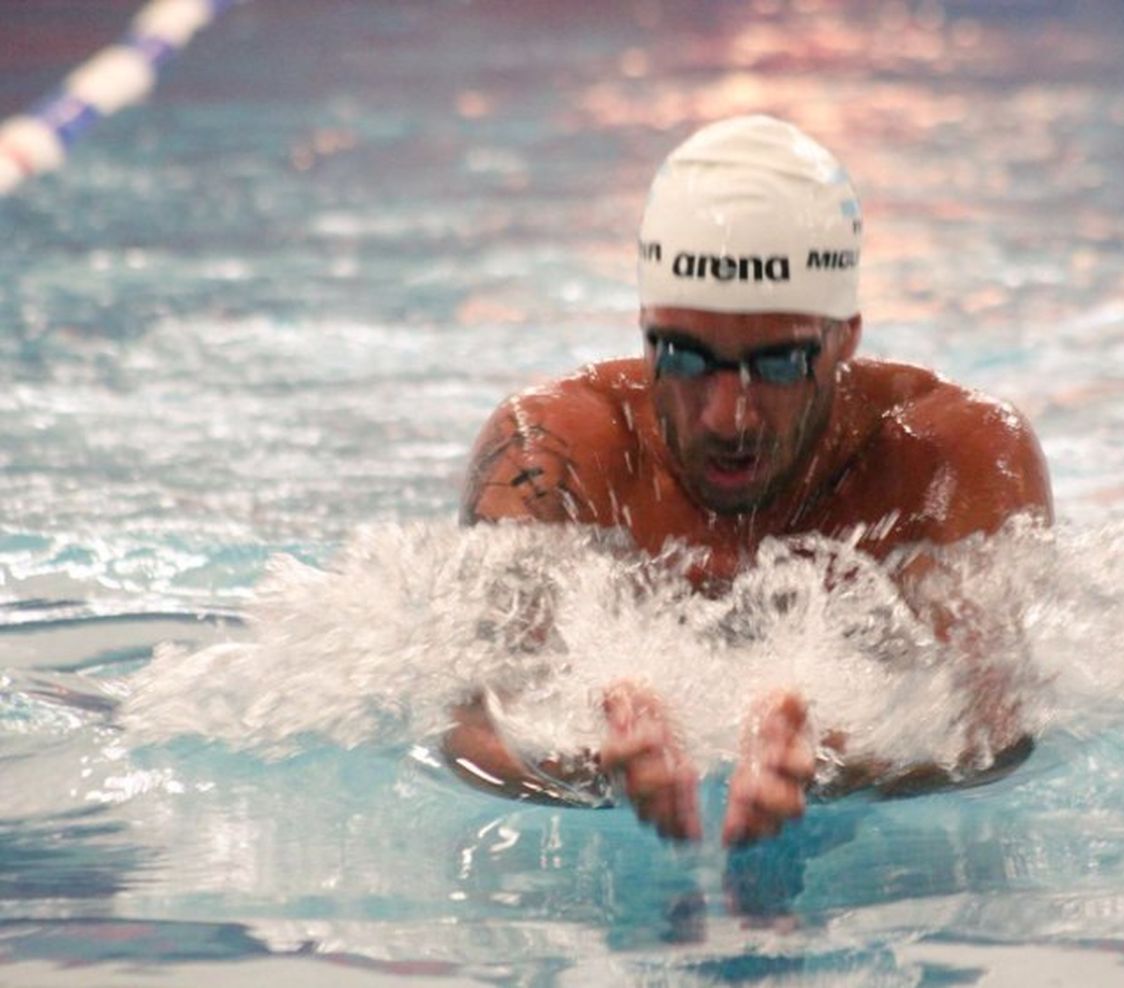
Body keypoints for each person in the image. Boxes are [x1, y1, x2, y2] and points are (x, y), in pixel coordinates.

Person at [444, 115, 1052, 847]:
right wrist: (581, 768)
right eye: (687, 357)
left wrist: (841, 769)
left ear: (845, 338)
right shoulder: (555, 454)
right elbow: (472, 722)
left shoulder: (952, 458)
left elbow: (1000, 720)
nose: (729, 415)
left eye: (779, 364)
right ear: (645, 330)